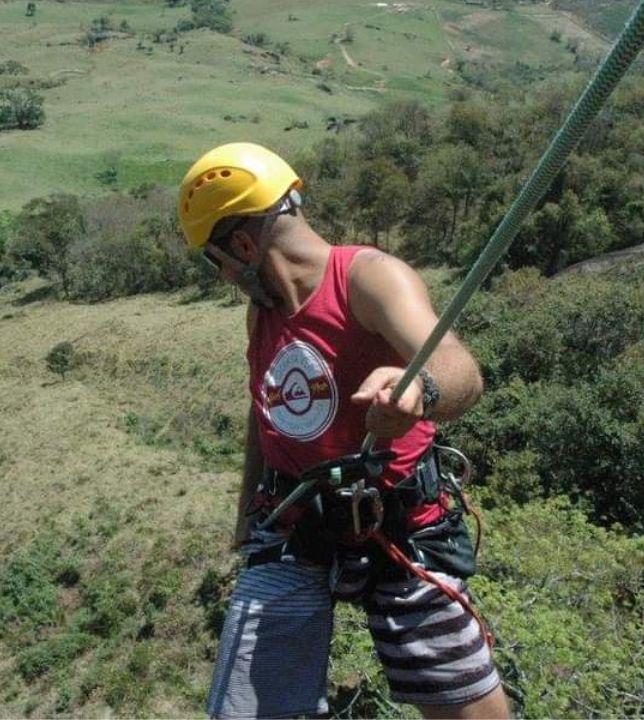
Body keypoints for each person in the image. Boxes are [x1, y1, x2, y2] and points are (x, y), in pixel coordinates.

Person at [179, 142, 509, 719]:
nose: (225, 276)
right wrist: (245, 520)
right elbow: (266, 411)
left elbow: (461, 369)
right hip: (295, 526)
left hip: (402, 529)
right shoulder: (263, 312)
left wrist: (419, 391)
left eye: (219, 261)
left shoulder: (369, 278)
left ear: (244, 245)